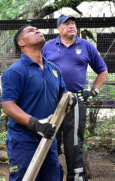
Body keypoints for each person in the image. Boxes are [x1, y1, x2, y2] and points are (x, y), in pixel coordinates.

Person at [42, 14, 108, 181]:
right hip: (52, 100)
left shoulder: (86, 46)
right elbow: (37, 68)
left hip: (75, 100)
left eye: (73, 23)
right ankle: (52, 176)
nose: (71, 26)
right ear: (59, 28)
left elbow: (103, 70)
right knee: (50, 140)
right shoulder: (48, 46)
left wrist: (94, 91)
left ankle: (77, 177)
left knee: (74, 143)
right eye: (66, 24)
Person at [2, 25, 68, 181]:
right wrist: (35, 124)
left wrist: (69, 101)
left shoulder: (54, 69)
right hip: (23, 142)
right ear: (21, 43)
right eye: (31, 31)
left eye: (37, 29)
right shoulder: (15, 71)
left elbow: (63, 95)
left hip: (48, 140)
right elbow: (8, 106)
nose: (37, 31)